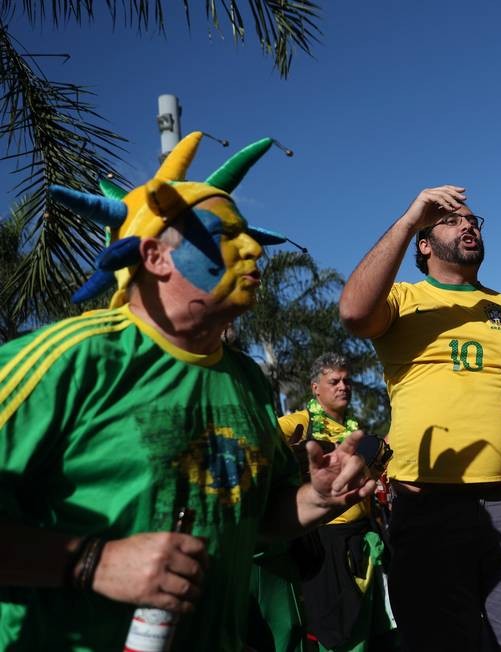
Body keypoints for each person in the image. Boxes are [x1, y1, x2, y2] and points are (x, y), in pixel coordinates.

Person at [0, 132, 375, 649]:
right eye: (225, 234)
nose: (251, 248)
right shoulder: (70, 360)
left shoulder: (245, 380)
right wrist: (93, 562)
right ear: (155, 256)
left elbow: (258, 520)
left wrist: (318, 497)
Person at [339, 186, 501, 651]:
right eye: (451, 220)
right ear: (424, 244)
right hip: (426, 504)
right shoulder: (402, 299)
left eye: (472, 221)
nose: (467, 226)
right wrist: (408, 219)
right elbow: (354, 313)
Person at [267, 353, 396, 652]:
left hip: (365, 539)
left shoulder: (352, 428)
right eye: (334, 381)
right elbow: (263, 437)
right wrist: (292, 459)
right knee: (339, 635)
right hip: (327, 545)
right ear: (315, 388)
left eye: (347, 380)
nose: (343, 386)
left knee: (374, 635)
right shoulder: (303, 421)